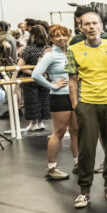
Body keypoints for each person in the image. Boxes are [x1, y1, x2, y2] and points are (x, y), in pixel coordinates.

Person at [66, 11, 107, 208]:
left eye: (94, 23)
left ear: (101, 25)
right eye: (86, 24)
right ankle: (85, 191)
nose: (91, 27)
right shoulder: (74, 49)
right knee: (87, 148)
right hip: (87, 102)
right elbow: (72, 79)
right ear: (81, 28)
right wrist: (75, 104)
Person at [32, 24, 78, 180]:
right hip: (59, 97)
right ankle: (51, 168)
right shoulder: (50, 55)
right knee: (58, 132)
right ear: (51, 39)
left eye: (64, 35)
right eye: (57, 36)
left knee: (75, 131)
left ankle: (78, 163)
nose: (61, 38)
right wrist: (53, 85)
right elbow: (36, 74)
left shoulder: (71, 51)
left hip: (74, 95)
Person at [18, 25, 51, 132]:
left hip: (30, 79)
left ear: (32, 36)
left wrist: (34, 73)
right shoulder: (48, 49)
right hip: (45, 78)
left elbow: (21, 66)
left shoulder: (28, 49)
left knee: (32, 101)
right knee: (43, 100)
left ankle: (33, 123)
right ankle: (41, 123)